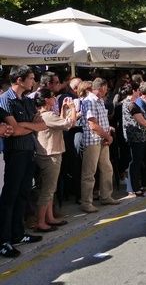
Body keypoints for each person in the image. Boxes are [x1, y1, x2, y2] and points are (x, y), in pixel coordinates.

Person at [0, 66, 47, 258]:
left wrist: (25, 125)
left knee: (23, 194)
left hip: (29, 151)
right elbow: (14, 130)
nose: (33, 82)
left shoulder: (27, 100)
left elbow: (42, 125)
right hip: (15, 153)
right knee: (10, 196)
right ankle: (4, 239)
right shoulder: (5, 100)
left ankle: (18, 233)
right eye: (31, 78)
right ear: (19, 80)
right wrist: (30, 126)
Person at [33, 88, 76, 232]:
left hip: (45, 154)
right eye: (52, 96)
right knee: (48, 190)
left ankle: (49, 217)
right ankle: (41, 222)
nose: (55, 99)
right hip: (51, 156)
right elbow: (69, 124)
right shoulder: (48, 115)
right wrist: (73, 109)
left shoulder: (41, 114)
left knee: (50, 189)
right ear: (46, 100)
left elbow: (60, 124)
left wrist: (63, 111)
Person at [79, 78, 120, 214]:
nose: (107, 90)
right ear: (102, 87)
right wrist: (108, 136)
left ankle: (106, 196)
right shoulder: (89, 101)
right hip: (93, 141)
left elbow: (101, 122)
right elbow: (93, 125)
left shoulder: (99, 101)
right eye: (106, 87)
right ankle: (86, 203)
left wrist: (107, 134)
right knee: (89, 173)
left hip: (102, 140)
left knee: (107, 168)